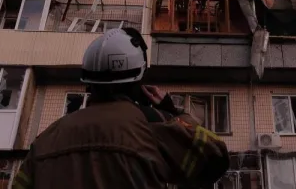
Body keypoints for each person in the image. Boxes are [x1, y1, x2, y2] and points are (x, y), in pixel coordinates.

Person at [13, 27, 230, 189]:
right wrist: (173, 110)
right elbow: (216, 157)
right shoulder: (152, 127)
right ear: (139, 80)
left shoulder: (45, 140)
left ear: (88, 82)